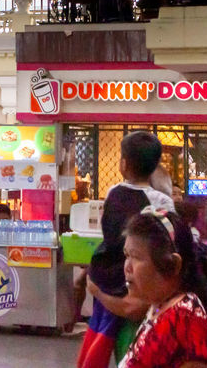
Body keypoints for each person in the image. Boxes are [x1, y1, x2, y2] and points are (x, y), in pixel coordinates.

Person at [81, 130, 176, 368]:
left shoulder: (113, 193)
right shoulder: (161, 201)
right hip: (141, 287)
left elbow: (108, 231)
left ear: (123, 163)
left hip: (108, 278)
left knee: (111, 346)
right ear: (155, 166)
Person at [117, 209, 207, 368]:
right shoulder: (161, 307)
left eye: (136, 257)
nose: (127, 267)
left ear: (173, 265)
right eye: (127, 256)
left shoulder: (184, 318)